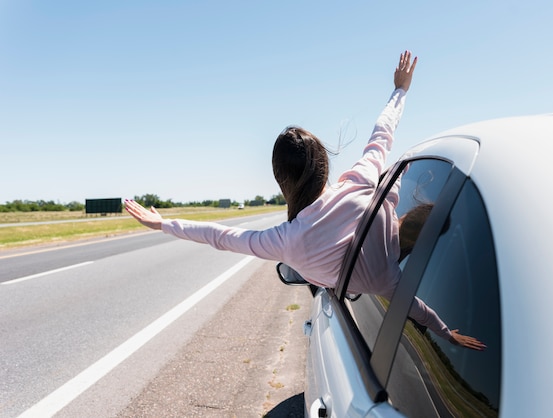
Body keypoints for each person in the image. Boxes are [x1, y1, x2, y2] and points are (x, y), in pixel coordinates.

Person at [125, 51, 485, 351]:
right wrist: (400, 90)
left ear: (283, 183)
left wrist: (163, 224)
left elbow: (221, 237)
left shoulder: (289, 241)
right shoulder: (360, 187)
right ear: (325, 167)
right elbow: (382, 132)